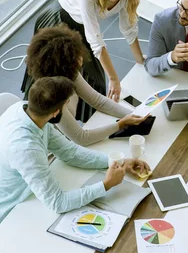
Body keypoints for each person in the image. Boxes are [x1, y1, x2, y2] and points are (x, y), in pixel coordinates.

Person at [0, 77, 150, 224]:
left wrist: (117, 162)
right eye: (67, 104)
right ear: (55, 113)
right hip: (14, 210)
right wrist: (106, 184)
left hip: (31, 189)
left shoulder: (28, 109)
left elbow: (69, 152)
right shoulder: (26, 149)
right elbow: (58, 203)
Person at [22, 0, 144, 120]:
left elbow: (129, 30)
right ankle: (34, 111)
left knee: (96, 82)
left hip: (82, 27)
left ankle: (88, 122)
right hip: (59, 21)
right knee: (50, 73)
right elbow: (96, 42)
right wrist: (114, 79)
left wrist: (141, 61)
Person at [23, 25, 148, 146]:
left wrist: (135, 114)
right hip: (55, 148)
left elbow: (98, 101)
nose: (81, 57)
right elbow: (81, 138)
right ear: (63, 63)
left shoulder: (70, 73)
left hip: (68, 139)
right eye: (75, 56)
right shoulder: (51, 94)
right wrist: (121, 124)